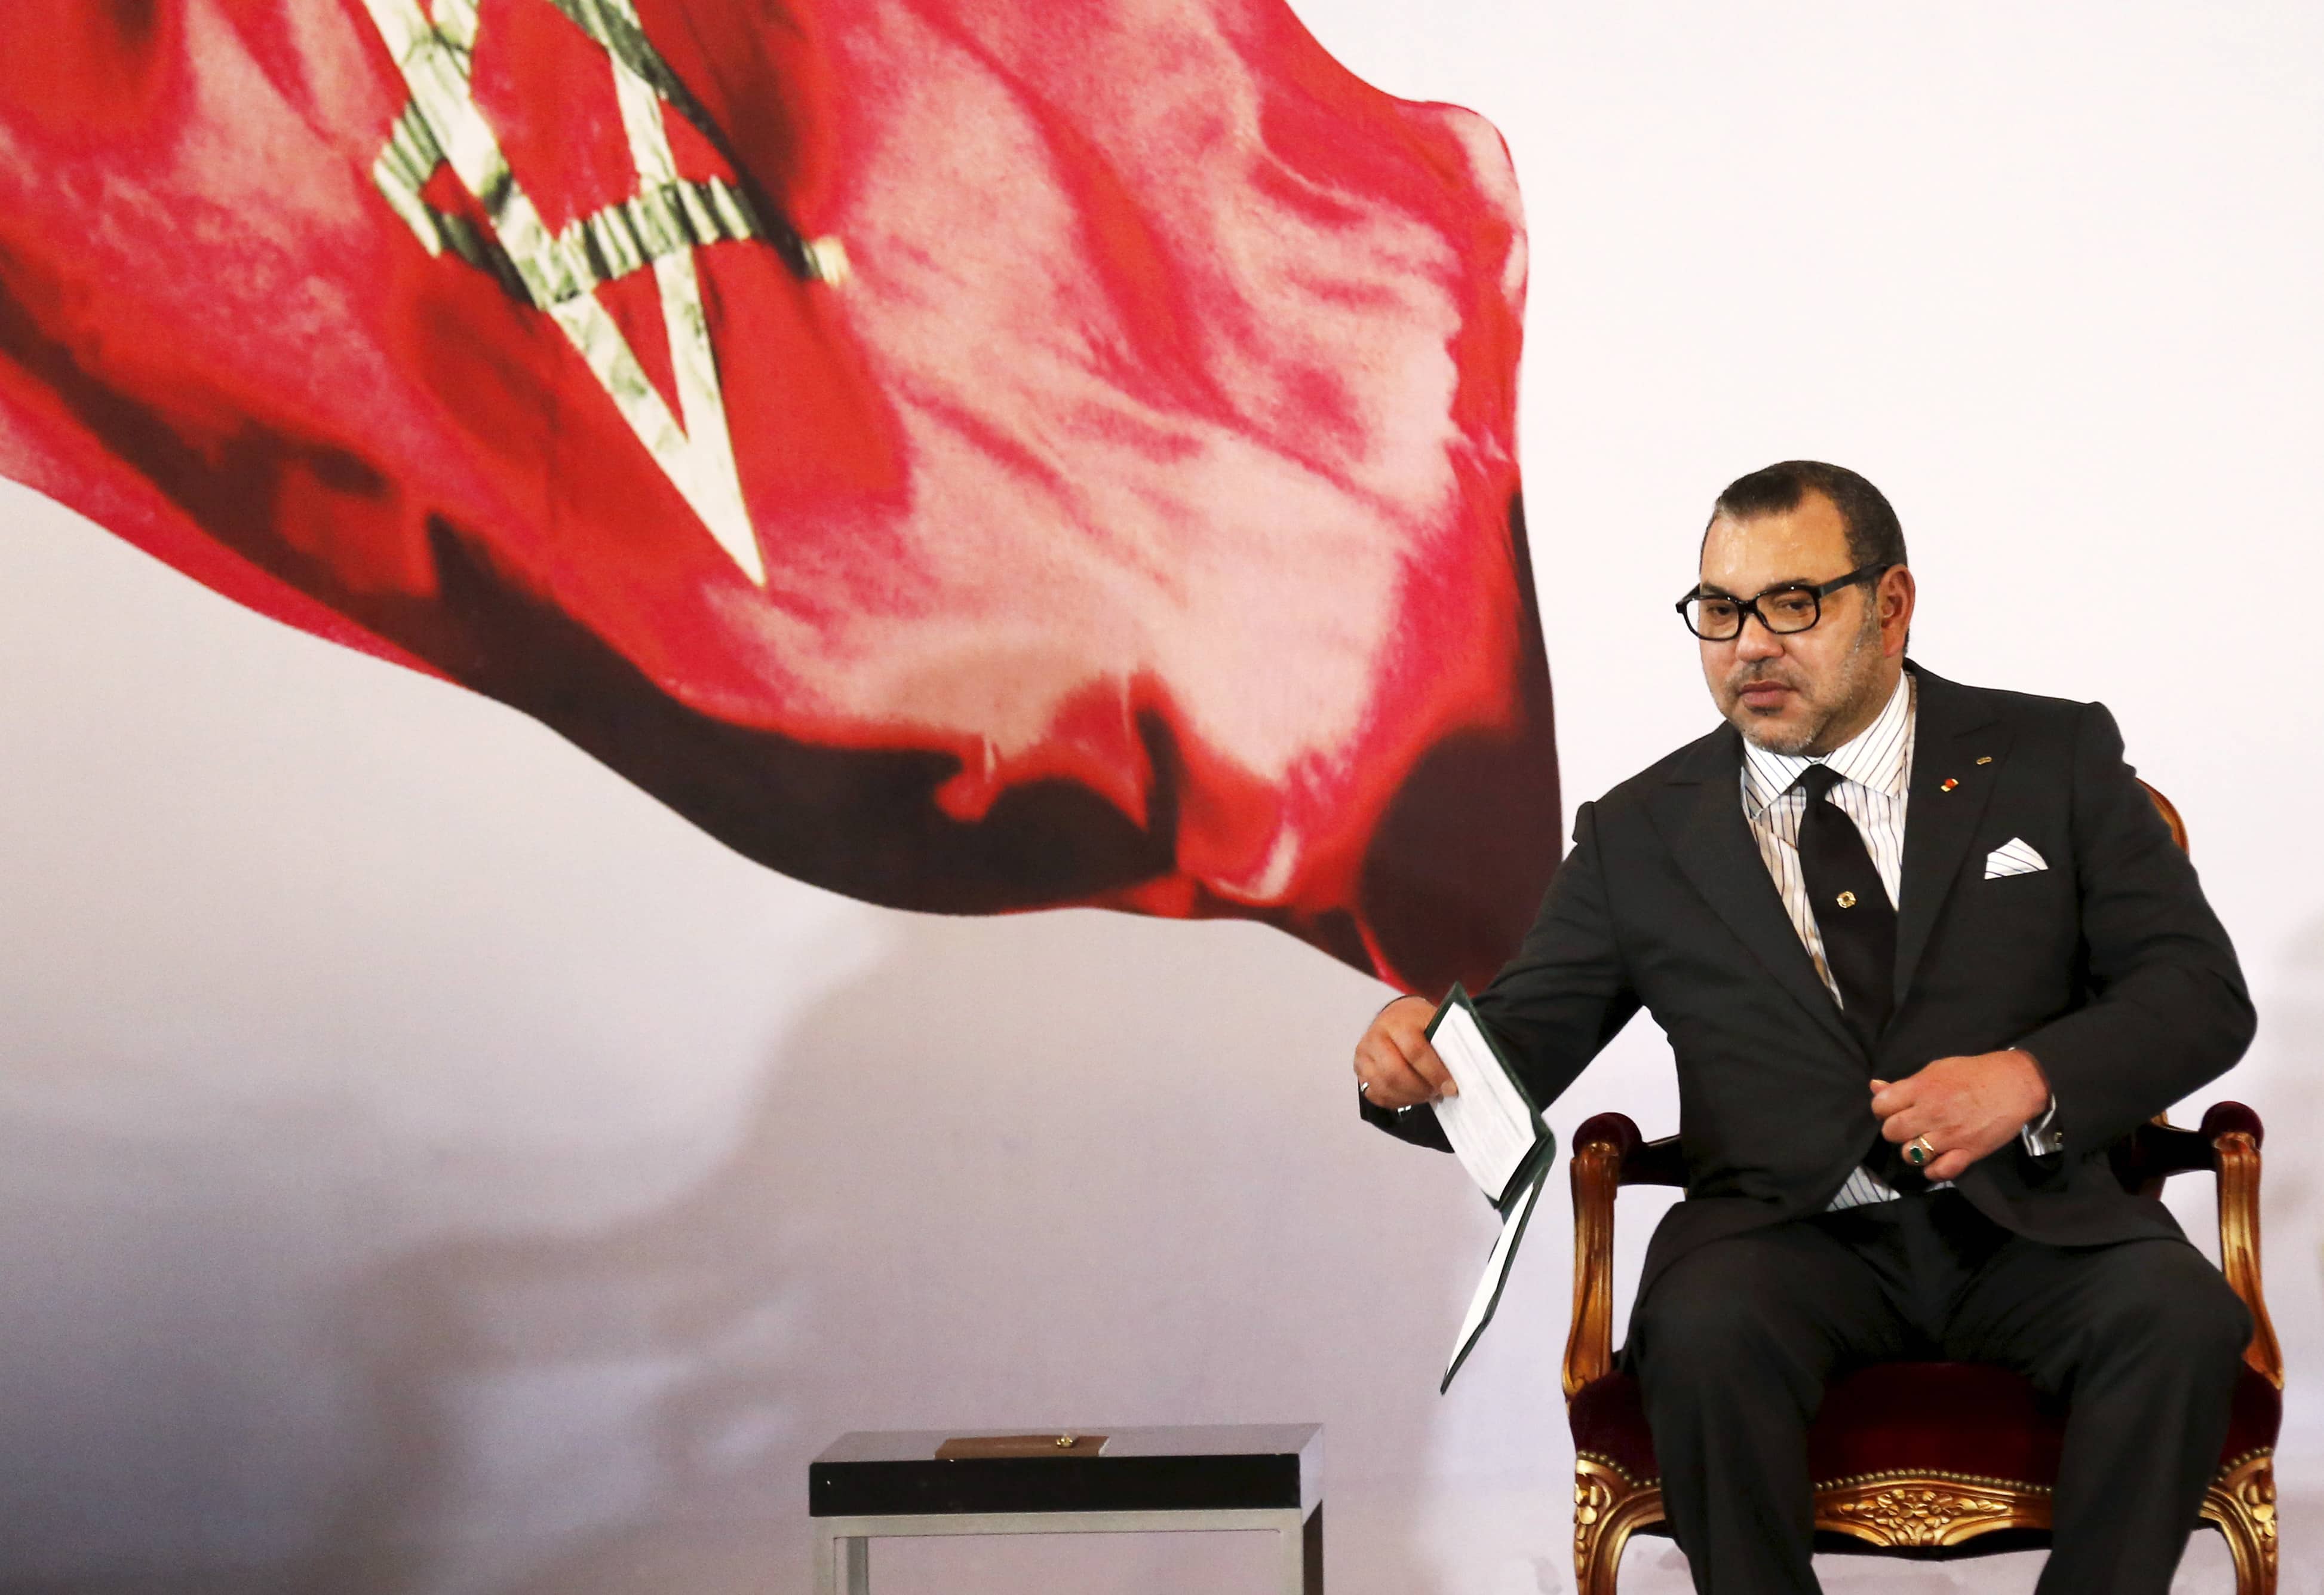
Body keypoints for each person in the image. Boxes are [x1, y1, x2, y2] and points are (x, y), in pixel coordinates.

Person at [1350, 461, 2254, 1595]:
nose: (1749, 645)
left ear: (1892, 604)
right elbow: (1517, 1048)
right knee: (1705, 1330)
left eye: (1793, 603)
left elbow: (2198, 991)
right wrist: (1412, 1062)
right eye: (1719, 611)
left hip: (2032, 1227)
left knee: (2176, 1317)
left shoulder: (2049, 758)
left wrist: (2028, 1077)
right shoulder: (1641, 833)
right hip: (1781, 1241)